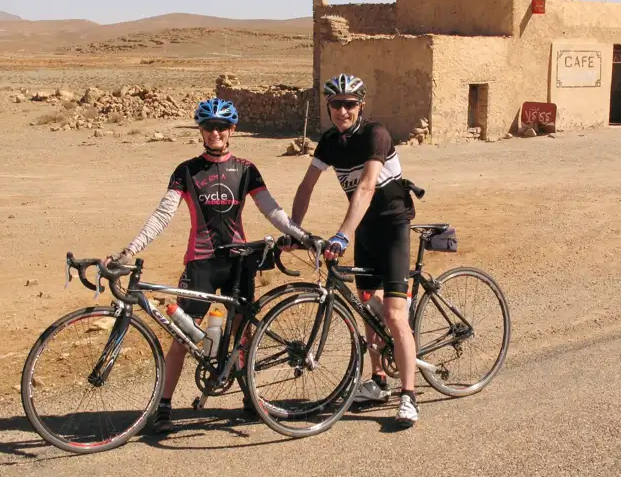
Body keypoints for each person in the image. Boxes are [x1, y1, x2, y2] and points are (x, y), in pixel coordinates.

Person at [106, 98, 312, 434]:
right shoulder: (186, 170)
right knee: (184, 334)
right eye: (208, 126)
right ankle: (164, 403)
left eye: (221, 126)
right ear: (200, 131)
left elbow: (271, 210)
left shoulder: (246, 169)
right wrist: (130, 249)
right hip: (200, 262)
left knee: (243, 330)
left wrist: (301, 235)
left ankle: (250, 394)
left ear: (232, 130)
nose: (215, 132)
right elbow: (163, 215)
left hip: (239, 262)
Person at [287, 73, 420, 428]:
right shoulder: (330, 142)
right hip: (365, 231)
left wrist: (342, 235)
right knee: (366, 307)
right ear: (328, 108)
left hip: (393, 227)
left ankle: (409, 395)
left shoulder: (375, 134)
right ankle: (378, 381)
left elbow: (365, 186)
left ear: (361, 105)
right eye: (336, 104)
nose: (343, 110)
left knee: (393, 315)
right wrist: (293, 230)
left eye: (349, 104)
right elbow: (306, 186)